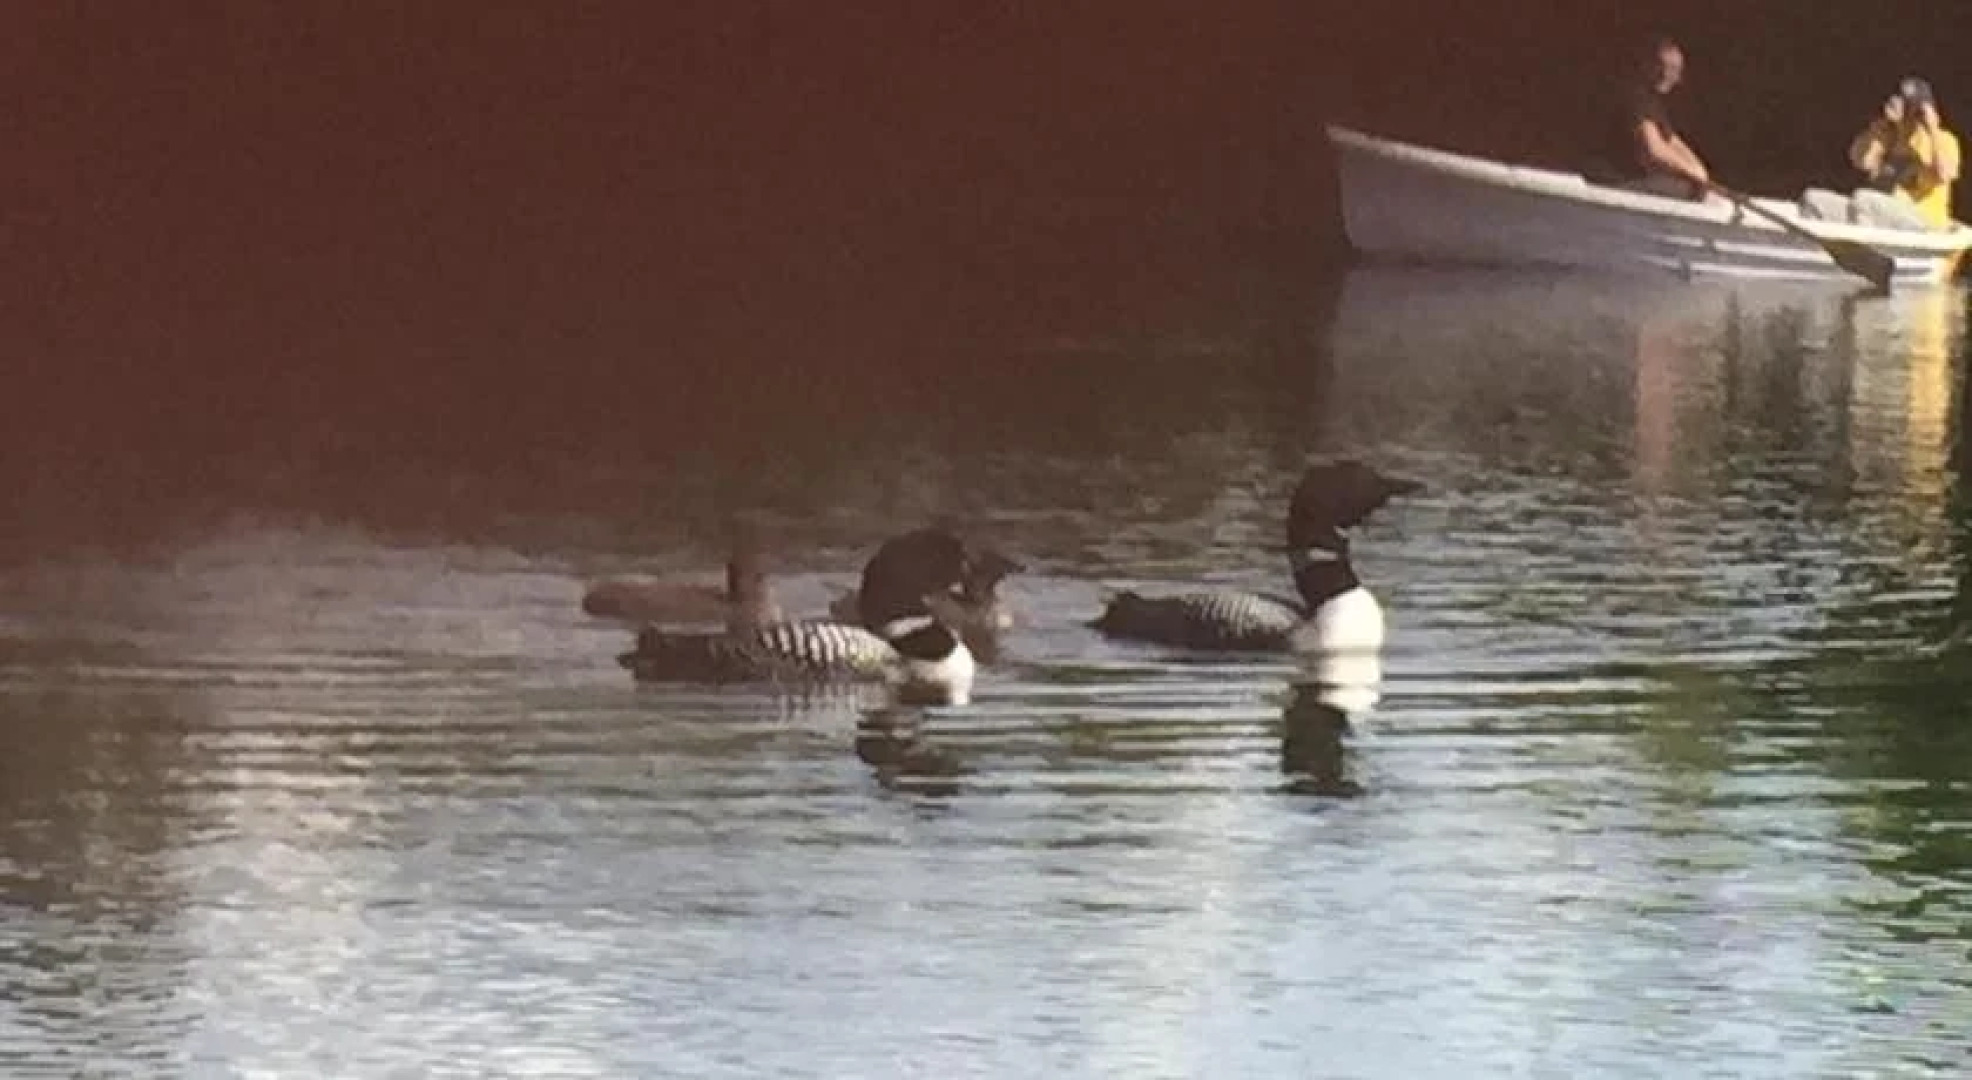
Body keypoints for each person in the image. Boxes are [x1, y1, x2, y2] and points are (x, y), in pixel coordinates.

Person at [1606, 35, 1712, 200]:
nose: (1666, 75)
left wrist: (1700, 171)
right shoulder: (1636, 97)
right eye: (1662, 67)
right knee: (1690, 189)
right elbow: (1655, 150)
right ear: (1647, 65)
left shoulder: (1653, 103)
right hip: (1615, 183)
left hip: (1631, 181)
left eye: (1674, 70)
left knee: (1697, 187)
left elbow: (1672, 142)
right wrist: (1694, 174)